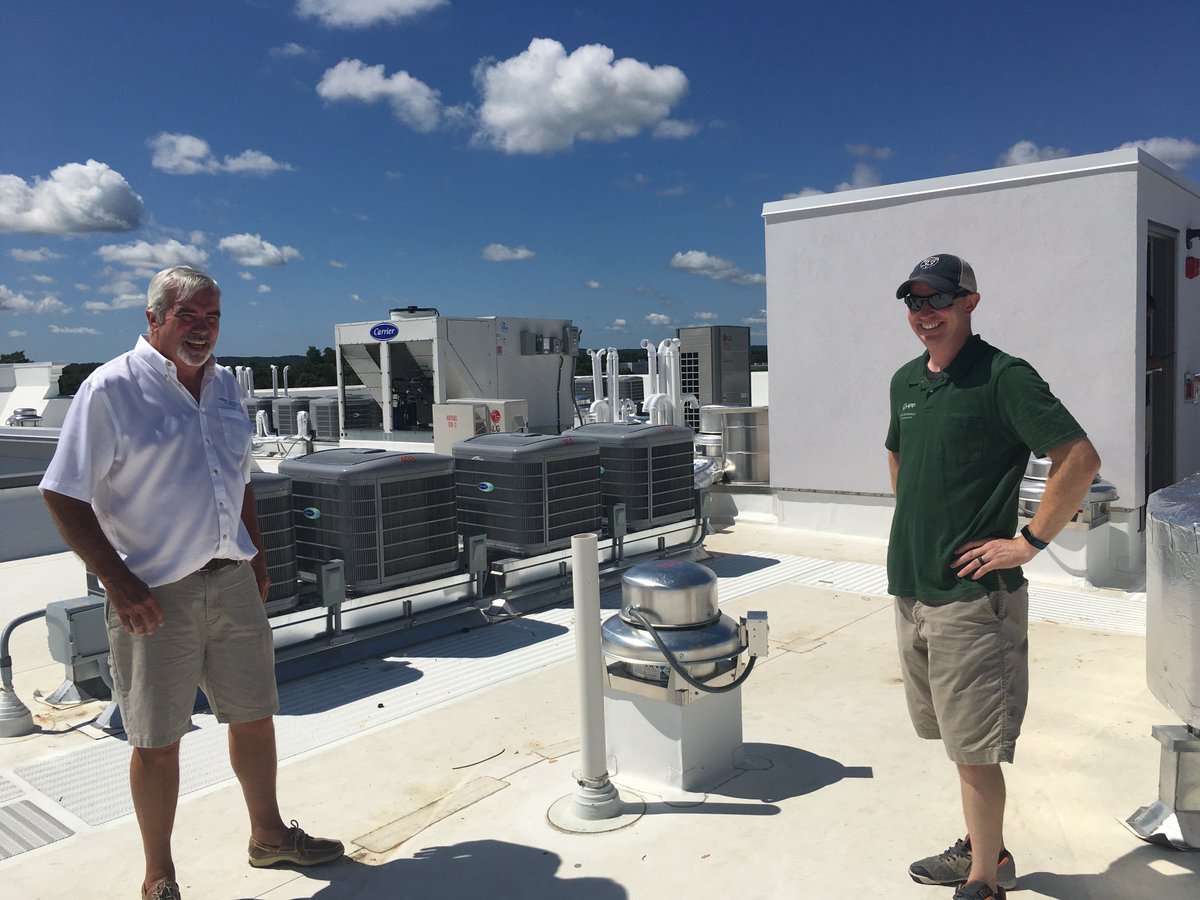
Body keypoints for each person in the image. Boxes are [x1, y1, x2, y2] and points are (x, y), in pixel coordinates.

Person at [40, 266, 342, 900]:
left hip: (231, 578)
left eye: (212, 318)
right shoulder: (110, 389)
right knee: (157, 740)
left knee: (255, 718)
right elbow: (62, 493)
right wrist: (117, 584)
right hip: (152, 592)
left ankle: (268, 837)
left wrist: (255, 553)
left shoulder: (227, 386)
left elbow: (240, 477)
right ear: (153, 319)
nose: (203, 330)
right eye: (188, 317)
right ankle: (160, 876)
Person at [884, 255, 1100, 900]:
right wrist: (919, 518)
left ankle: (985, 881)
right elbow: (898, 451)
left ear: (970, 301)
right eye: (914, 302)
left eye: (938, 300)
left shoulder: (1004, 376)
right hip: (914, 585)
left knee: (976, 748)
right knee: (955, 741)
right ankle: (987, 848)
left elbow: (1079, 458)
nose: (925, 313)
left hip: (973, 599)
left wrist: (1028, 541)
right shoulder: (905, 381)